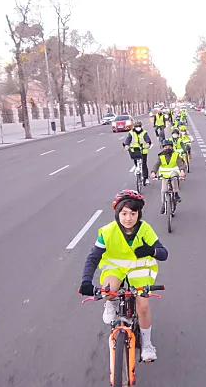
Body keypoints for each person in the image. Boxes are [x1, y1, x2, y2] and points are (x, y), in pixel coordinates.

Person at [79, 190, 169, 362]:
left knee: (142, 306)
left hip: (139, 270)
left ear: (139, 214)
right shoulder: (107, 232)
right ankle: (110, 304)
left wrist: (152, 251)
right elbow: (93, 258)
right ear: (117, 213)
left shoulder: (145, 229)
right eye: (124, 213)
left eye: (133, 214)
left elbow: (164, 253)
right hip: (115, 269)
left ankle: (147, 344)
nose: (128, 218)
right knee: (109, 290)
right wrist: (86, 281)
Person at [150, 139, 186, 214]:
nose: (167, 148)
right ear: (163, 148)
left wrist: (182, 171)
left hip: (174, 173)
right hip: (164, 175)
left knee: (174, 179)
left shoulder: (176, 155)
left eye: (169, 147)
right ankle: (163, 204)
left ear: (172, 147)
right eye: (165, 147)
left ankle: (176, 194)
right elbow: (156, 165)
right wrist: (153, 172)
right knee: (163, 190)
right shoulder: (161, 156)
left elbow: (180, 164)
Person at [124, 121, 151, 185]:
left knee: (144, 164)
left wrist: (147, 143)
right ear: (134, 127)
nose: (138, 128)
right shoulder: (131, 133)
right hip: (135, 151)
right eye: (136, 126)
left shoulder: (144, 132)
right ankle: (138, 171)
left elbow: (147, 139)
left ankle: (146, 178)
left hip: (143, 150)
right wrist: (126, 145)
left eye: (139, 126)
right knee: (136, 163)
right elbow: (128, 139)